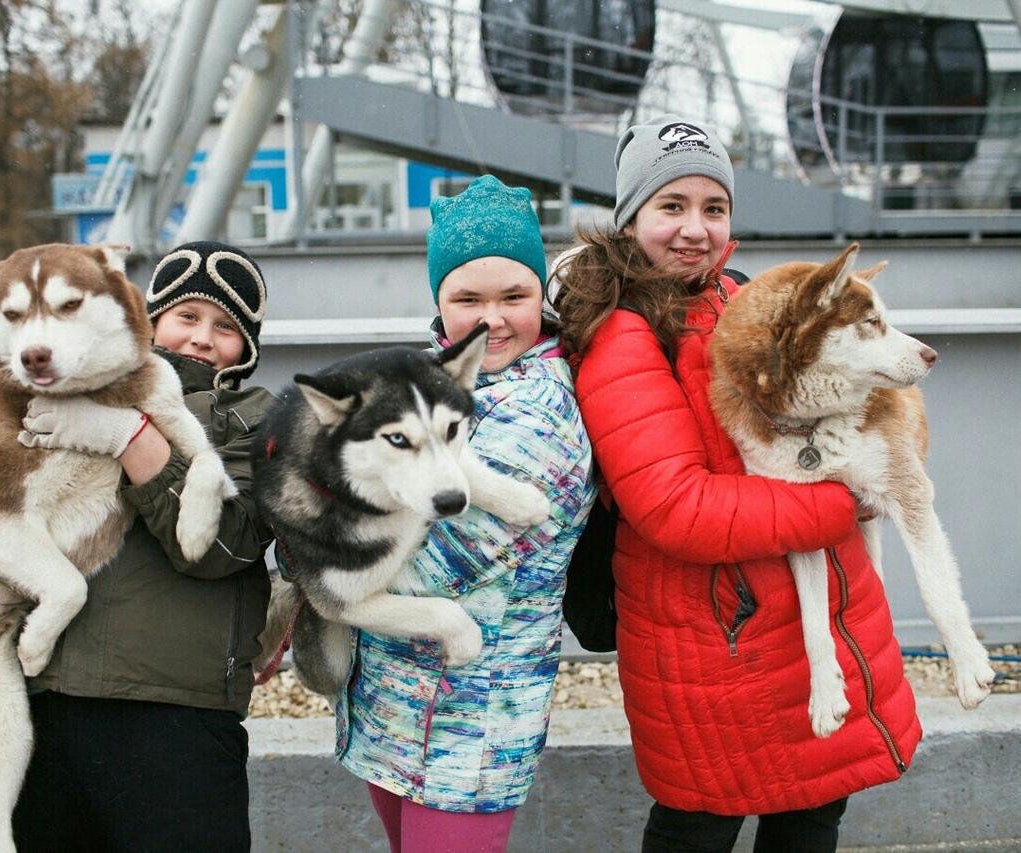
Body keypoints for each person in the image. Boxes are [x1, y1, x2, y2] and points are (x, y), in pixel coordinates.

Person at [551, 116, 921, 853]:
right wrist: (844, 501)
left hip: (806, 631)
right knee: (699, 827)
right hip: (718, 648)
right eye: (671, 206)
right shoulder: (622, 333)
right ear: (630, 221)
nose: (695, 229)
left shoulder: (744, 300)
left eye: (713, 208)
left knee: (812, 814)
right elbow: (678, 507)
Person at [0, 241, 275, 852]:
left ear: (247, 346)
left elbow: (226, 543)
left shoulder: (252, 418)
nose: (202, 338)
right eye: (187, 317)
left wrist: (131, 437)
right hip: (37, 705)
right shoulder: (60, 380)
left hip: (175, 718)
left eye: (226, 328)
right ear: (151, 315)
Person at [334, 175, 595, 853]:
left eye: (515, 296)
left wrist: (320, 562)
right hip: (394, 703)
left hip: (469, 718)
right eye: (467, 299)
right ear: (438, 301)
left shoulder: (541, 407)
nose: (493, 320)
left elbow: (446, 559)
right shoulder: (429, 380)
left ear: (543, 295)